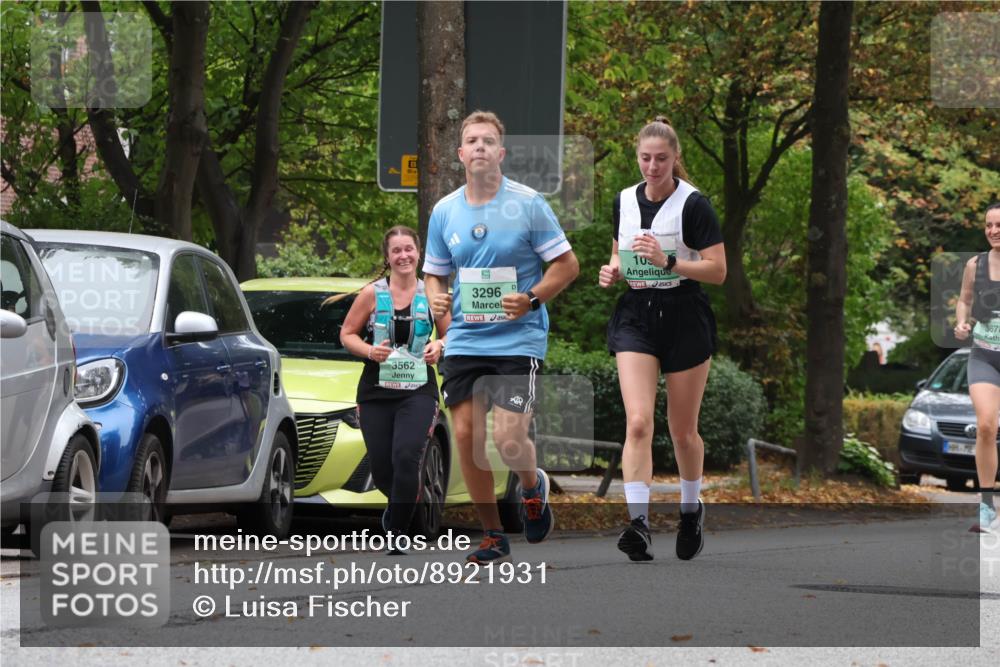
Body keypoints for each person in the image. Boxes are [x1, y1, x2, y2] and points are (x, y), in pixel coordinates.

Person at [423, 110, 580, 563]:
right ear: (459, 154)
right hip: (466, 342)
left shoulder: (528, 204)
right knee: (468, 436)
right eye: (471, 141)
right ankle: (492, 534)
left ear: (501, 153)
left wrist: (531, 298)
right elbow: (434, 274)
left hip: (517, 341)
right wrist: (438, 303)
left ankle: (532, 487)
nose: (478, 148)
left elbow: (567, 265)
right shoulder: (444, 211)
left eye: (487, 141)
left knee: (509, 437)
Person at [598, 117, 727, 561]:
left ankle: (691, 511)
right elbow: (619, 251)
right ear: (638, 157)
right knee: (637, 422)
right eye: (646, 158)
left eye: (662, 159)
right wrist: (612, 269)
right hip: (636, 314)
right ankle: (638, 524)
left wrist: (670, 261)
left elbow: (718, 270)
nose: (653, 166)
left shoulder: (695, 205)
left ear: (675, 159)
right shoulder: (623, 201)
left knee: (683, 432)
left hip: (684, 314)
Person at [339, 226, 449, 552]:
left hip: (418, 390)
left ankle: (397, 529)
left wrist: (439, 345)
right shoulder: (372, 293)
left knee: (406, 455)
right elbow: (347, 334)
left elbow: (452, 333)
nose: (403, 256)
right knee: (383, 466)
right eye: (396, 251)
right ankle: (395, 510)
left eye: (408, 249)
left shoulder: (432, 294)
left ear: (419, 253)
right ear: (387, 257)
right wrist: (370, 350)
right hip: (376, 389)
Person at [952, 202, 1000, 533]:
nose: (994, 231)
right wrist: (961, 323)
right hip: (984, 355)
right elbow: (965, 300)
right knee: (985, 426)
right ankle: (986, 506)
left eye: (999, 225)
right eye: (989, 225)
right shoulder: (975, 264)